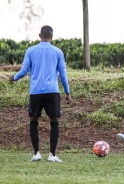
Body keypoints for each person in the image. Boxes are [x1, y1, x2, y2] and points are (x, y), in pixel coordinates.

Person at [8, 25, 71, 162]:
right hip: (52, 91)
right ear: (52, 36)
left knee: (33, 120)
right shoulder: (58, 52)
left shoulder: (31, 50)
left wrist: (14, 77)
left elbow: (24, 71)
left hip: (36, 92)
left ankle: (36, 153)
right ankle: (52, 155)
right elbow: (63, 75)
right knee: (54, 121)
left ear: (39, 35)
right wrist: (67, 93)